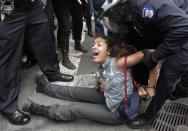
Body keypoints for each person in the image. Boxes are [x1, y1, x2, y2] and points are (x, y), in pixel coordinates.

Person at [91, 0, 188, 129]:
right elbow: (128, 48)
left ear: (118, 6)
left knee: (168, 74)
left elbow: (184, 27)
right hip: (165, 26)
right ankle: (180, 90)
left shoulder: (146, 7)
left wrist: (156, 56)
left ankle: (149, 116)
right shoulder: (125, 14)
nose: (110, 19)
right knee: (142, 53)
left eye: (110, 15)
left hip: (183, 29)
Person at [22, 35, 157, 125]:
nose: (93, 47)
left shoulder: (119, 63)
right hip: (109, 96)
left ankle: (42, 110)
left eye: (99, 44)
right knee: (76, 92)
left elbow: (151, 53)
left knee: (76, 109)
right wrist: (101, 84)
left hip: (118, 112)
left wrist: (151, 86)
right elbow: (102, 85)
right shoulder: (102, 66)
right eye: (93, 44)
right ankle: (45, 88)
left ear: (108, 51)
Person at [0, 0, 74, 125]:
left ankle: (53, 73)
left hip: (34, 5)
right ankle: (7, 107)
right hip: (9, 8)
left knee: (45, 40)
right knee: (10, 58)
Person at [52, 0, 88, 70]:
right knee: (65, 27)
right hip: (61, 2)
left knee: (79, 22)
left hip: (76, 1)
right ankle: (65, 58)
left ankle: (77, 44)